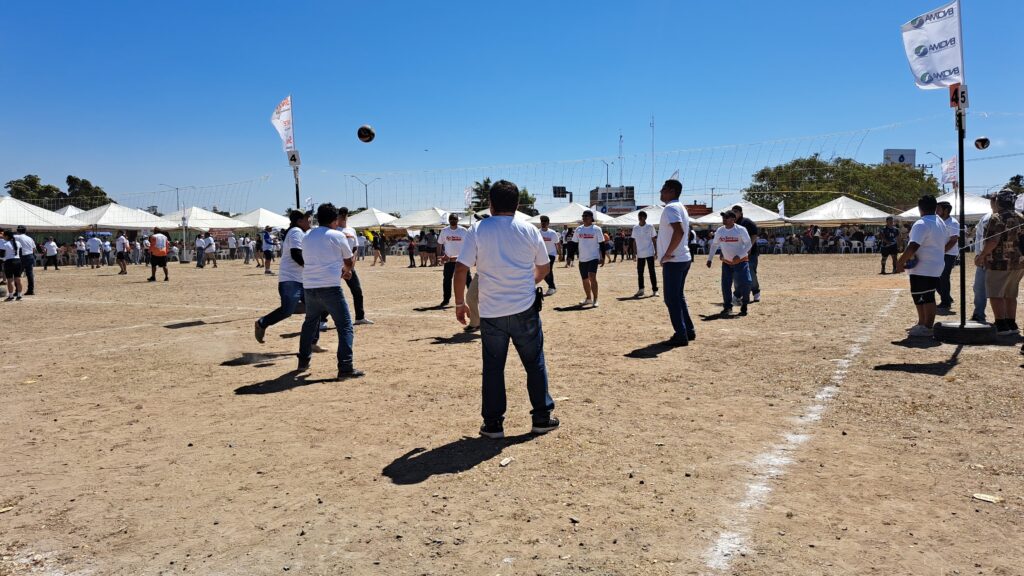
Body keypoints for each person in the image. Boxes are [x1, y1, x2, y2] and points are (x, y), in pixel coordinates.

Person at [453, 180, 557, 439]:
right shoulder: (529, 230)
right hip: (525, 309)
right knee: (534, 364)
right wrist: (527, 282)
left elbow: (461, 269)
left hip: (491, 312)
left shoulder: (477, 229)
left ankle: (493, 424)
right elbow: (544, 268)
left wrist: (459, 302)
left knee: (493, 368)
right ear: (517, 204)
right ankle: (542, 417)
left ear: (489, 203)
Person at [297, 203, 363, 379]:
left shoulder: (307, 235)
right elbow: (348, 262)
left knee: (310, 323)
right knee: (345, 327)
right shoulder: (338, 235)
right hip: (330, 288)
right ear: (335, 220)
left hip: (310, 286)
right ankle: (345, 367)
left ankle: (303, 361)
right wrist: (346, 271)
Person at [255, 210, 321, 343]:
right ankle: (262, 323)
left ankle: (312, 342)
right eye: (307, 218)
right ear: (299, 221)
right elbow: (296, 254)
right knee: (287, 311)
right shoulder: (296, 231)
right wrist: (311, 268)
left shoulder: (301, 232)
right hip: (291, 279)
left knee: (316, 307)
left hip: (302, 280)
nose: (310, 221)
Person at [973, 189, 1024, 336]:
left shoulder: (996, 218)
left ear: (999, 202)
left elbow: (993, 241)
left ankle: (1001, 324)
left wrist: (981, 256)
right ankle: (1011, 323)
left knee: (995, 294)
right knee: (1010, 294)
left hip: (999, 263)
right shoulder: (1021, 217)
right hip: (1018, 263)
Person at [895, 195, 948, 337]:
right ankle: (922, 323)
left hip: (923, 266)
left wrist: (901, 262)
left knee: (926, 296)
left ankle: (927, 326)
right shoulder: (940, 222)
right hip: (934, 265)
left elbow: (913, 245)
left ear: (920, 208)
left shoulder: (921, 223)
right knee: (920, 295)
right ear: (936, 207)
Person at [658, 179, 695, 346]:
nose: (660, 191)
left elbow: (679, 232)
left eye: (664, 189)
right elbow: (683, 233)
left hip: (674, 260)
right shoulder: (681, 207)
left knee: (672, 299)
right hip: (683, 258)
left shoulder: (671, 208)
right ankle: (689, 330)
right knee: (678, 297)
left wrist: (668, 253)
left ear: (672, 191)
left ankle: (681, 335)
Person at [707, 210, 753, 316]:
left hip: (741, 262)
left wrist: (740, 256)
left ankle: (744, 304)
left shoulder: (740, 230)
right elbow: (714, 245)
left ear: (733, 219)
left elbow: (749, 244)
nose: (724, 219)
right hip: (727, 262)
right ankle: (727, 307)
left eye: (726, 217)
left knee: (746, 283)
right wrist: (710, 259)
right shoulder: (720, 230)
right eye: (723, 217)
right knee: (726, 285)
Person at [338, 208, 373, 325]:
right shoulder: (333, 230)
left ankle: (360, 317)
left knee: (357, 291)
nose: (343, 216)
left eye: (345, 214)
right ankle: (322, 320)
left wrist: (351, 264)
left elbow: (355, 248)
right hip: (335, 266)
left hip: (349, 265)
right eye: (341, 214)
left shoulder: (351, 230)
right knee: (331, 292)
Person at [970, 194, 999, 324]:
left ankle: (1003, 319)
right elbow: (979, 238)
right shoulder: (986, 218)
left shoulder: (1008, 218)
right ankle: (979, 313)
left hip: (999, 260)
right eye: (994, 201)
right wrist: (978, 255)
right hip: (983, 258)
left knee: (998, 291)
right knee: (979, 288)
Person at [438, 213, 469, 307]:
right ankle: (446, 299)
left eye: (454, 219)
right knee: (447, 280)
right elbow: (440, 243)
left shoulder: (463, 230)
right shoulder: (444, 231)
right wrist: (439, 256)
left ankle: (474, 297)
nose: (453, 221)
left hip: (462, 260)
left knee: (468, 279)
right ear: (448, 220)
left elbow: (470, 243)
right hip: (449, 260)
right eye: (451, 219)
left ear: (457, 220)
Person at [731, 205, 761, 303]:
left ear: (741, 213)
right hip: (736, 254)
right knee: (737, 274)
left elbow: (754, 235)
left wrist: (749, 248)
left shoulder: (747, 222)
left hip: (750, 254)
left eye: (736, 211)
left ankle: (756, 292)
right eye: (732, 211)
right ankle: (738, 294)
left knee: (751, 273)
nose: (734, 213)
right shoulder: (731, 224)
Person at [935, 201, 961, 313]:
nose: (936, 211)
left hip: (949, 254)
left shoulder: (953, 223)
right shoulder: (938, 221)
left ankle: (945, 302)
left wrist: (941, 251)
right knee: (935, 277)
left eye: (939, 209)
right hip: (939, 253)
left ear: (946, 210)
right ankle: (947, 297)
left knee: (944, 277)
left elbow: (953, 240)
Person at [573, 211, 603, 307]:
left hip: (593, 257)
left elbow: (602, 244)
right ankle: (588, 298)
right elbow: (573, 243)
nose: (584, 218)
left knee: (592, 277)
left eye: (586, 216)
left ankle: (596, 299)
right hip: (582, 259)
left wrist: (602, 257)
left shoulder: (597, 229)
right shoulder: (578, 229)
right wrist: (570, 256)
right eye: (583, 216)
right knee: (585, 279)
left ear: (591, 218)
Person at [632, 210, 658, 298]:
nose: (640, 218)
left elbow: (654, 239)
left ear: (645, 218)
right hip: (640, 254)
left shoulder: (650, 227)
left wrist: (656, 251)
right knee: (640, 273)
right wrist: (634, 253)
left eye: (642, 216)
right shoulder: (635, 228)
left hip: (650, 253)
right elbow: (634, 242)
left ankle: (655, 290)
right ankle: (641, 290)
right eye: (639, 216)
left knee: (652, 272)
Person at [538, 215, 560, 296]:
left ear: (548, 223)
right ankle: (552, 286)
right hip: (541, 254)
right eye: (542, 221)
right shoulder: (537, 232)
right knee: (542, 272)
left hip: (551, 254)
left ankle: (552, 287)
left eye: (545, 221)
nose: (543, 223)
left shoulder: (552, 233)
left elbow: (557, 243)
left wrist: (560, 254)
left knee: (548, 270)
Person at [2, 229, 25, 301]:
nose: (3, 237)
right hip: (18, 261)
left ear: (7, 236)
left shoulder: (4, 244)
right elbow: (21, 254)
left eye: (4, 236)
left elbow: (2, 255)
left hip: (9, 262)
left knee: (9, 280)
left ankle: (11, 296)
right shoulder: (18, 243)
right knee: (18, 279)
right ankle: (19, 295)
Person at [14, 226, 36, 295]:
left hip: (21, 257)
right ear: (25, 231)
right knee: (30, 274)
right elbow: (34, 249)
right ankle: (31, 290)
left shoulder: (16, 237)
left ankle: (17, 291)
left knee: (17, 274)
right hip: (30, 256)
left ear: (17, 231)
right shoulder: (30, 238)